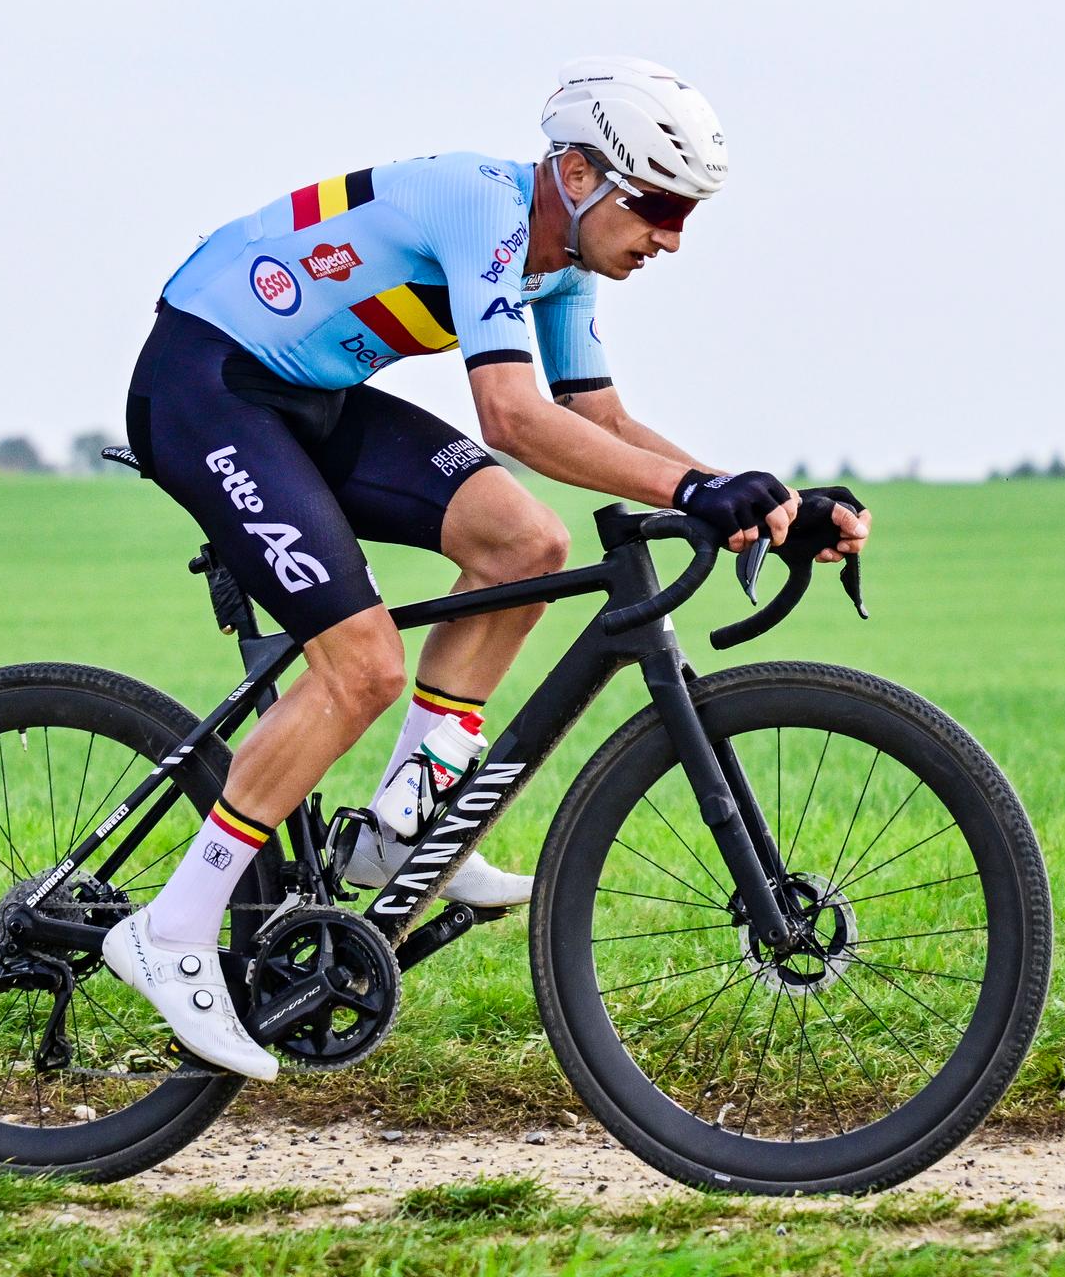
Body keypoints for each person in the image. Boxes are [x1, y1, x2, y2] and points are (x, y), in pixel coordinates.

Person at [102, 56, 872, 1080]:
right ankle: (171, 927)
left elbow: (598, 418)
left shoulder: (561, 262)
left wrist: (761, 499)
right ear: (581, 174)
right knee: (361, 667)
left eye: (687, 215)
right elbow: (511, 417)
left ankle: (401, 823)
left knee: (526, 542)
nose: (673, 239)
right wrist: (693, 491)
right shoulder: (484, 205)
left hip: (308, 398)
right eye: (659, 207)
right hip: (208, 387)